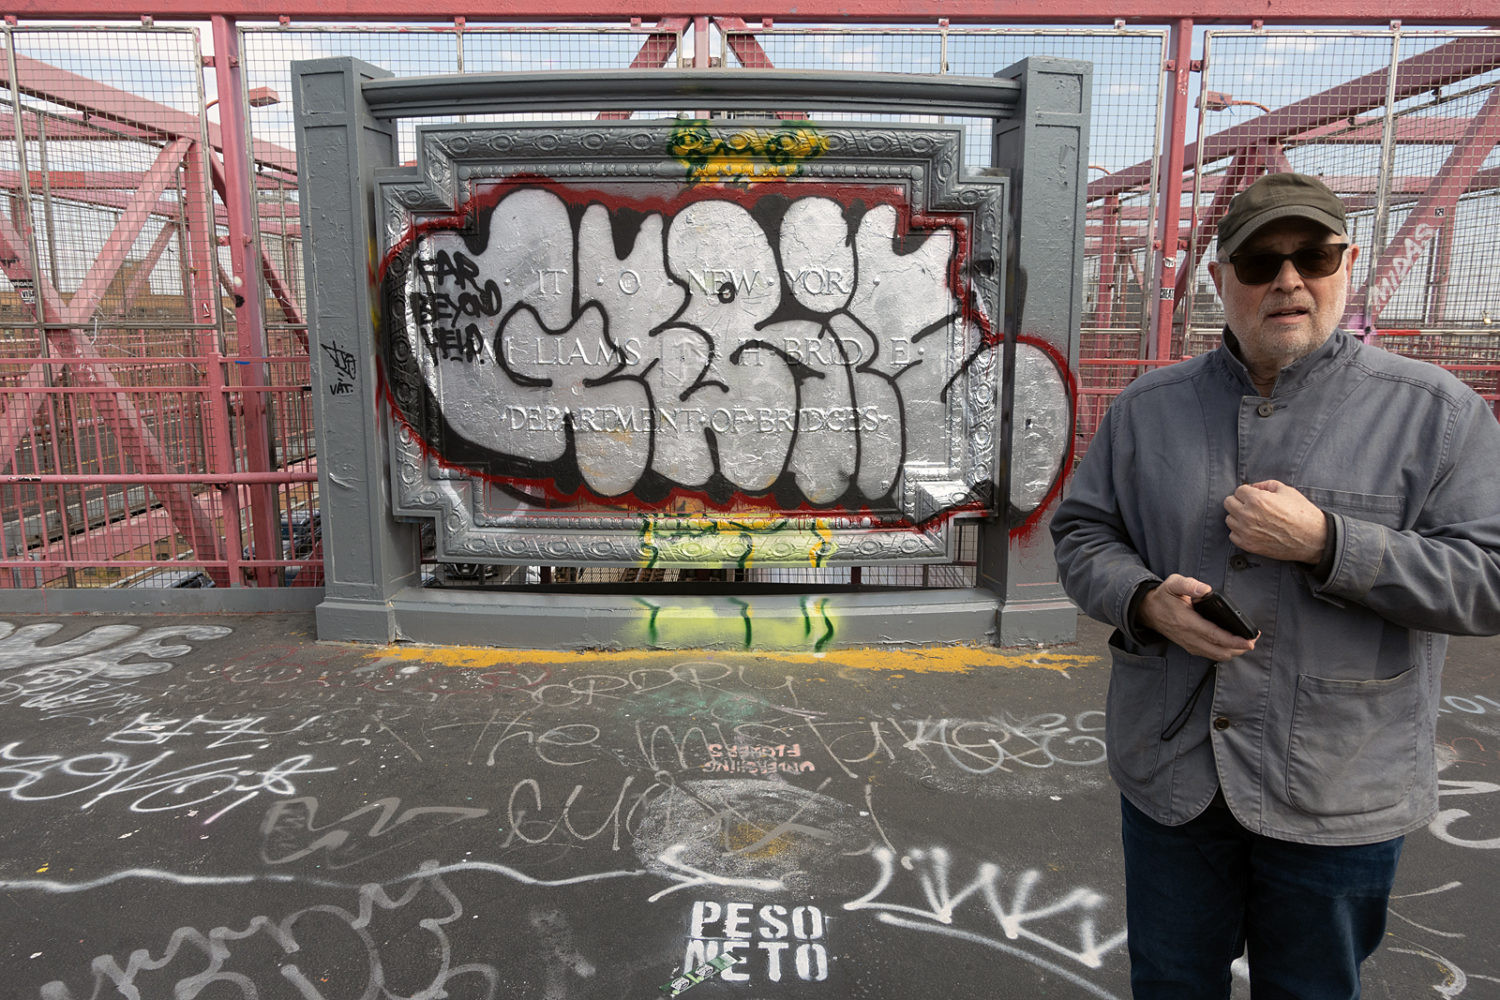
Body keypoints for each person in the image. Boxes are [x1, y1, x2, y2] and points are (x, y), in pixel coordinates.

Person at [1050, 171, 1500, 999]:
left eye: (1313, 255)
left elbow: (1488, 580)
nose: (1288, 279)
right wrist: (1143, 600)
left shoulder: (1436, 414)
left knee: (1313, 988)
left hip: (1335, 783)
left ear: (1347, 263)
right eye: (1260, 261)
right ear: (1222, 279)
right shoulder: (1150, 409)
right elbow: (1082, 534)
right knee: (1171, 981)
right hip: (1176, 775)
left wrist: (1332, 543)